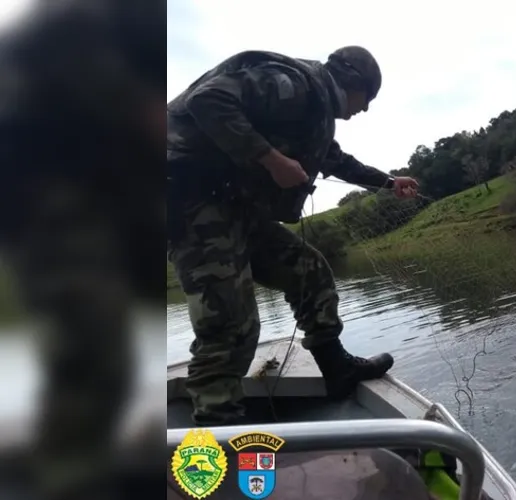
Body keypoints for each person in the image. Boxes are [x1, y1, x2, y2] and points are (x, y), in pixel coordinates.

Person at [166, 45, 420, 426]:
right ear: (351, 82)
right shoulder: (292, 84)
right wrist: (270, 159)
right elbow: (209, 100)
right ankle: (216, 429)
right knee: (230, 324)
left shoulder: (311, 114)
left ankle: (336, 368)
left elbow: (334, 160)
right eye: (366, 98)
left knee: (309, 269)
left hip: (235, 208)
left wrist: (387, 182)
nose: (364, 109)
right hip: (192, 204)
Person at [0, 1, 165, 499]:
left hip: (113, 186)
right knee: (94, 344)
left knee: (124, 340)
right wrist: (137, 108)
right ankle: (73, 474)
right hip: (51, 184)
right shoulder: (72, 25)